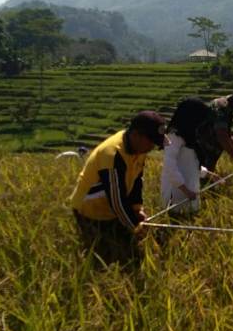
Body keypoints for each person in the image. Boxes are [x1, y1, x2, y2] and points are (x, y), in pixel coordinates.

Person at [69, 111, 166, 268]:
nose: (152, 147)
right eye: (151, 142)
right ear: (136, 135)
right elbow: (117, 201)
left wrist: (137, 209)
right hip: (91, 210)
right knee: (105, 259)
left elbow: (136, 181)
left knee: (129, 252)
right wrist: (136, 226)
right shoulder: (112, 155)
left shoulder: (138, 148)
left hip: (110, 208)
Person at [161, 98, 214, 216]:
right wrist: (186, 191)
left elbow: (190, 164)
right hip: (176, 196)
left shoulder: (190, 137)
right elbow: (170, 166)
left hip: (190, 193)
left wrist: (208, 174)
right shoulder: (173, 136)